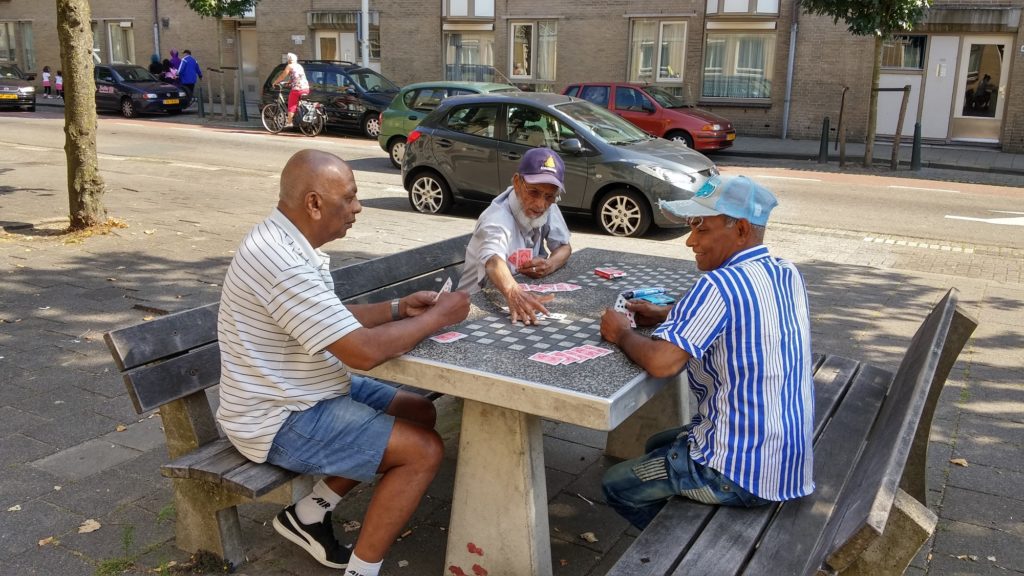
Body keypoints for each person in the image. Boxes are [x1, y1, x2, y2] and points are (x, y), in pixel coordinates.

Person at [216, 149, 470, 575]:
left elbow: (329, 320)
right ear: (314, 203)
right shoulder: (279, 261)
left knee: (420, 411)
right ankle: (362, 571)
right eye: (349, 198)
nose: (357, 207)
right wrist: (436, 318)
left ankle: (310, 514)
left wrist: (397, 308)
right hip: (277, 416)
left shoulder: (289, 242)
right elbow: (362, 353)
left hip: (308, 388)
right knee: (423, 452)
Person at [599, 174, 814, 530]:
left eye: (702, 229)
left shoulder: (717, 285)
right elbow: (745, 313)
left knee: (616, 485)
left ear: (742, 230)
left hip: (740, 472)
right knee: (656, 441)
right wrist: (670, 313)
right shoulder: (786, 272)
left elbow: (662, 362)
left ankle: (675, 546)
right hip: (786, 460)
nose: (690, 241)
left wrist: (621, 332)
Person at [456, 147, 572, 325]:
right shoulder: (496, 218)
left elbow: (565, 247)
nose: (541, 204)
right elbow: (493, 260)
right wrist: (513, 292)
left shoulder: (549, 206)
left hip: (513, 297)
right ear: (517, 183)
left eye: (549, 196)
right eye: (533, 192)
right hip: (473, 308)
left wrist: (549, 264)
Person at [271, 53, 311, 127]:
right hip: (306, 88)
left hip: (297, 89)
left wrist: (275, 82)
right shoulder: (299, 66)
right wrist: (289, 82)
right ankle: (299, 116)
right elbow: (297, 76)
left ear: (289, 60)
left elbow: (282, 76)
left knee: (292, 104)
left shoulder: (289, 66)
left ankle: (289, 122)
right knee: (298, 103)